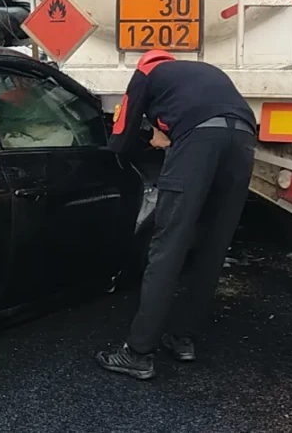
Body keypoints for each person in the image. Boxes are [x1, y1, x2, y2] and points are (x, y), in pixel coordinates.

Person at [95, 50, 257, 380]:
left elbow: (120, 140)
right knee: (213, 247)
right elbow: (196, 114)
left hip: (199, 142)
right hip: (243, 140)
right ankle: (183, 339)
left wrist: (142, 141)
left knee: (168, 247)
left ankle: (138, 353)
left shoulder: (146, 74)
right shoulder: (202, 72)